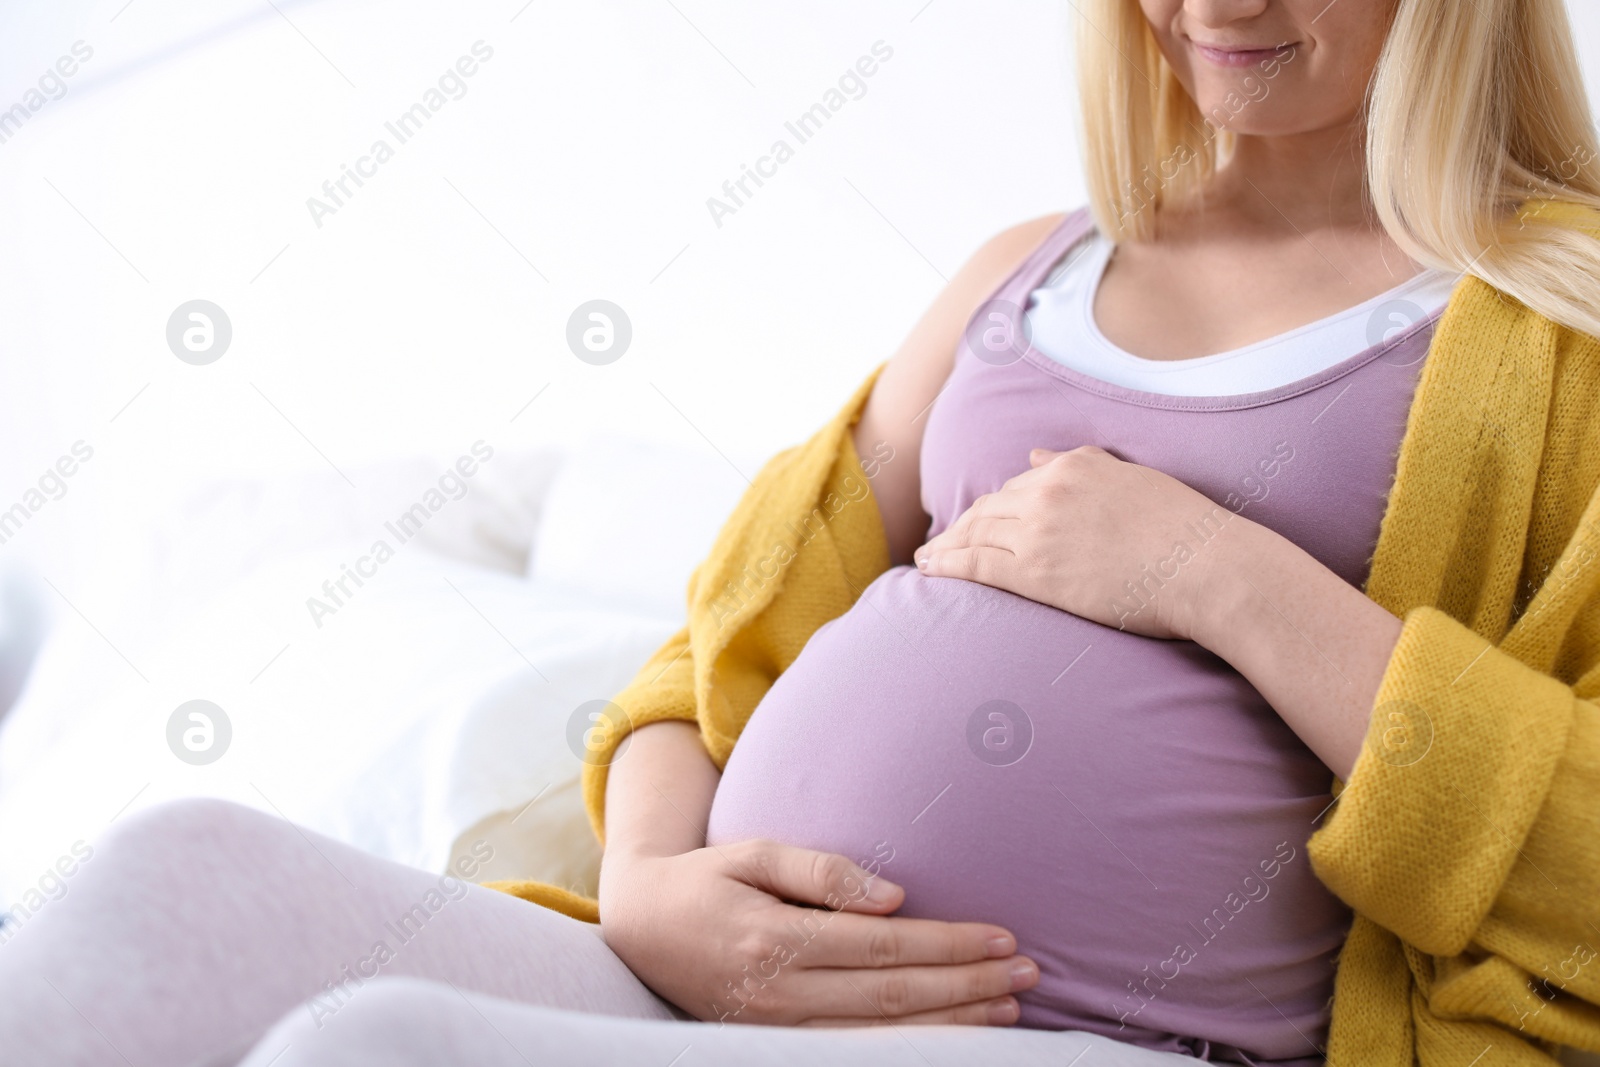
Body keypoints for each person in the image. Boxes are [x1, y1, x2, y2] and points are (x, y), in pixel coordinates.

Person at [5, 1, 1598, 1064]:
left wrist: (1204, 572)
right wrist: (645, 881)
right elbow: (710, 651)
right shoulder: (1020, 270)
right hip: (721, 986)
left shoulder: (1559, 328)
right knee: (173, 878)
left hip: (1093, 1035)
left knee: (371, 1051)